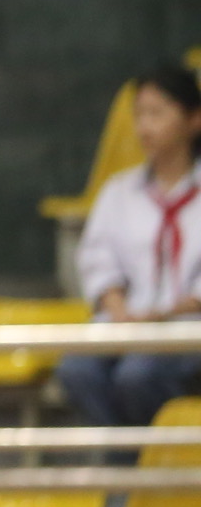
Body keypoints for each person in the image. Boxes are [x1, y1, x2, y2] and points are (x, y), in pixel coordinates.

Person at [61, 63, 201, 429]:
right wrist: (118, 308)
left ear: (193, 119)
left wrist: (159, 316)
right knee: (77, 370)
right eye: (139, 114)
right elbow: (97, 257)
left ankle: (139, 468)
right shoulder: (119, 191)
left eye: (157, 113)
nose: (145, 127)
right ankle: (127, 463)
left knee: (137, 376)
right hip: (125, 324)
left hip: (186, 328)